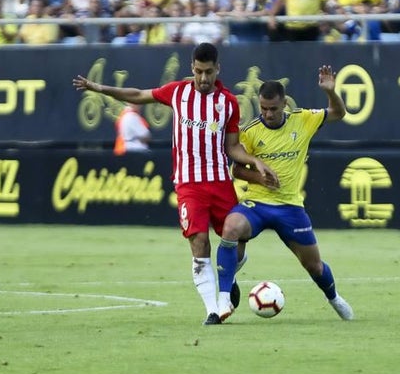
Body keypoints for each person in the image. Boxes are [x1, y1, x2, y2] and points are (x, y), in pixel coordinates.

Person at [72, 43, 277, 325]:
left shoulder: (228, 102)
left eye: (208, 72)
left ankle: (229, 272)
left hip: (219, 182)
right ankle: (213, 311)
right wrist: (99, 88)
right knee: (199, 241)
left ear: (218, 69)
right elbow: (138, 95)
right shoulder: (177, 92)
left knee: (238, 240)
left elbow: (232, 147)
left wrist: (255, 161)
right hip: (189, 185)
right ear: (192, 68)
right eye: (198, 71)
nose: (203, 78)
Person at [215, 68, 353, 322]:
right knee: (231, 227)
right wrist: (259, 176)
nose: (267, 114)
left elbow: (339, 113)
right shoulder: (251, 130)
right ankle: (222, 299)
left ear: (285, 104)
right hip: (256, 204)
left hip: (290, 207)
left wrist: (331, 91)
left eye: (273, 109)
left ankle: (334, 298)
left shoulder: (304, 119)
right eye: (263, 108)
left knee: (314, 266)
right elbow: (238, 170)